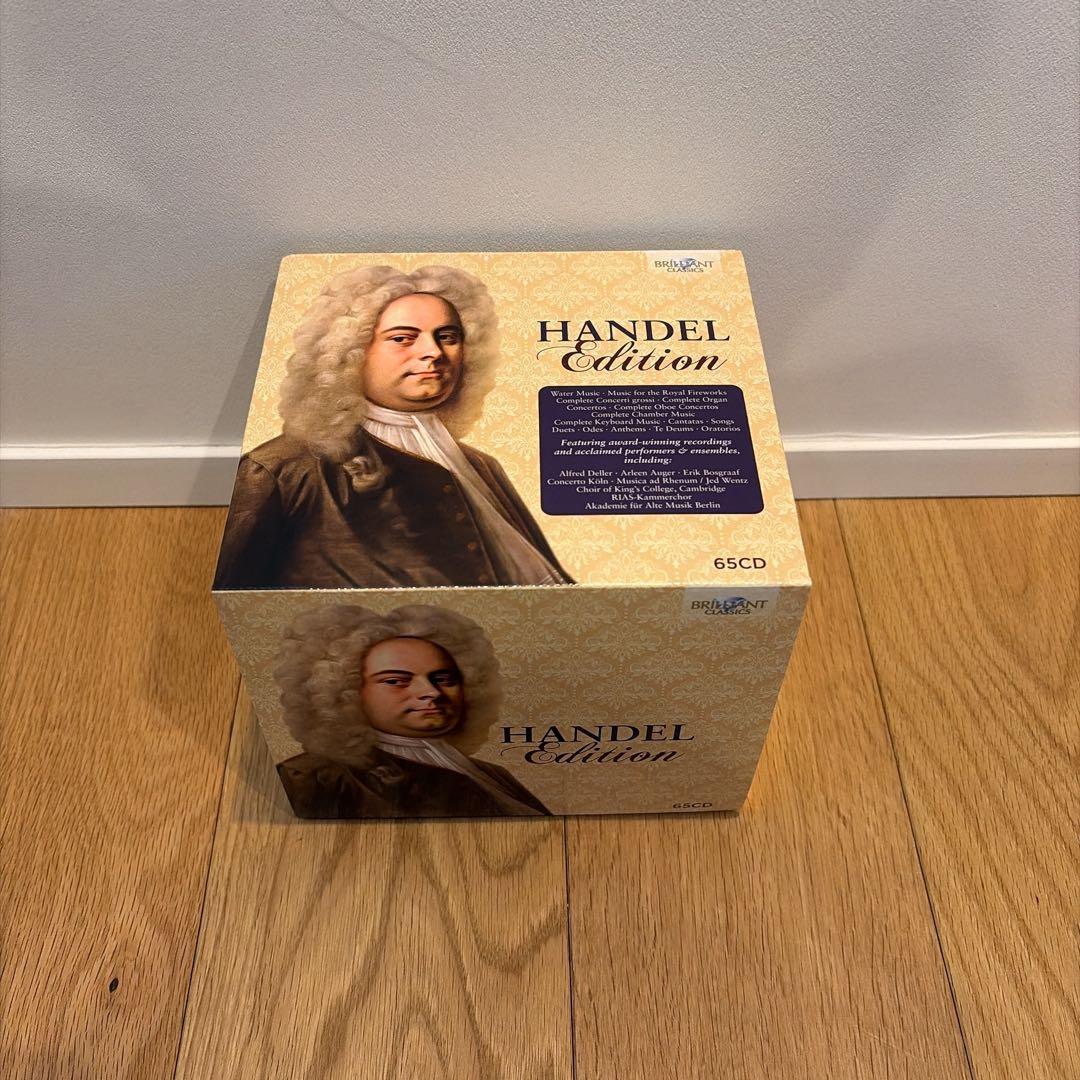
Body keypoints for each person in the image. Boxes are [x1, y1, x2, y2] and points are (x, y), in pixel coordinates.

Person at [214, 264, 571, 589]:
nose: (433, 352)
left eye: (448, 337)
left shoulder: (482, 465)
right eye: (403, 338)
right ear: (349, 351)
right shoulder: (282, 470)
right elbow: (239, 599)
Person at [273, 604, 550, 819]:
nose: (432, 692)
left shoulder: (493, 774)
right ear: (345, 690)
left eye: (443, 679)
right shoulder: (314, 777)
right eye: (396, 681)